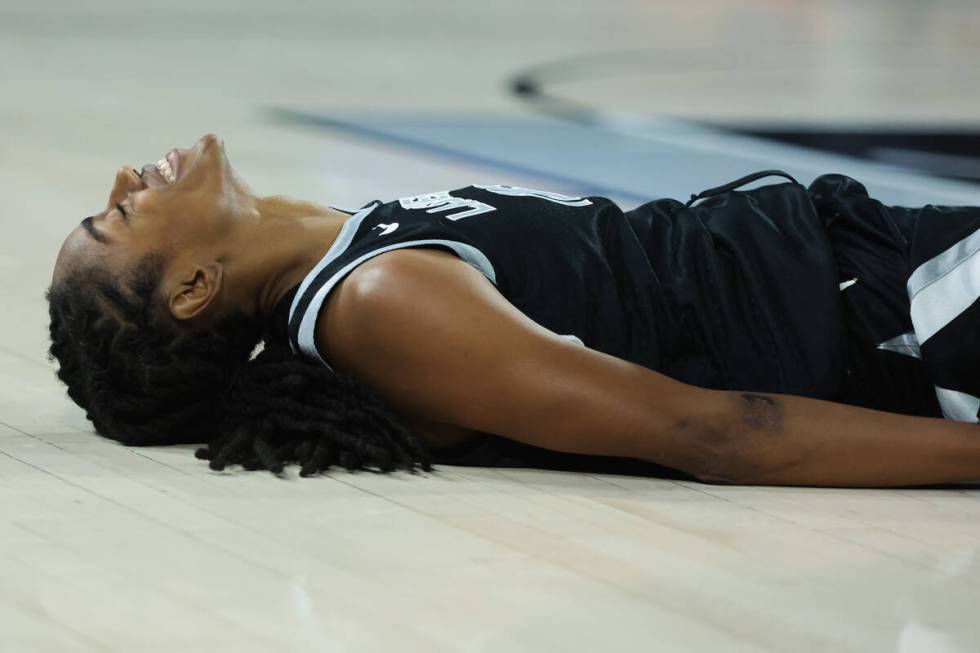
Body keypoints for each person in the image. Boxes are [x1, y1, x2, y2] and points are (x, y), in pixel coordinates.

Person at [47, 133, 980, 487]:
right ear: (194, 287)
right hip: (902, 317)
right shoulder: (377, 304)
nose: (129, 174)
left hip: (878, 256)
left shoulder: (343, 243)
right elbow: (713, 432)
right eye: (121, 213)